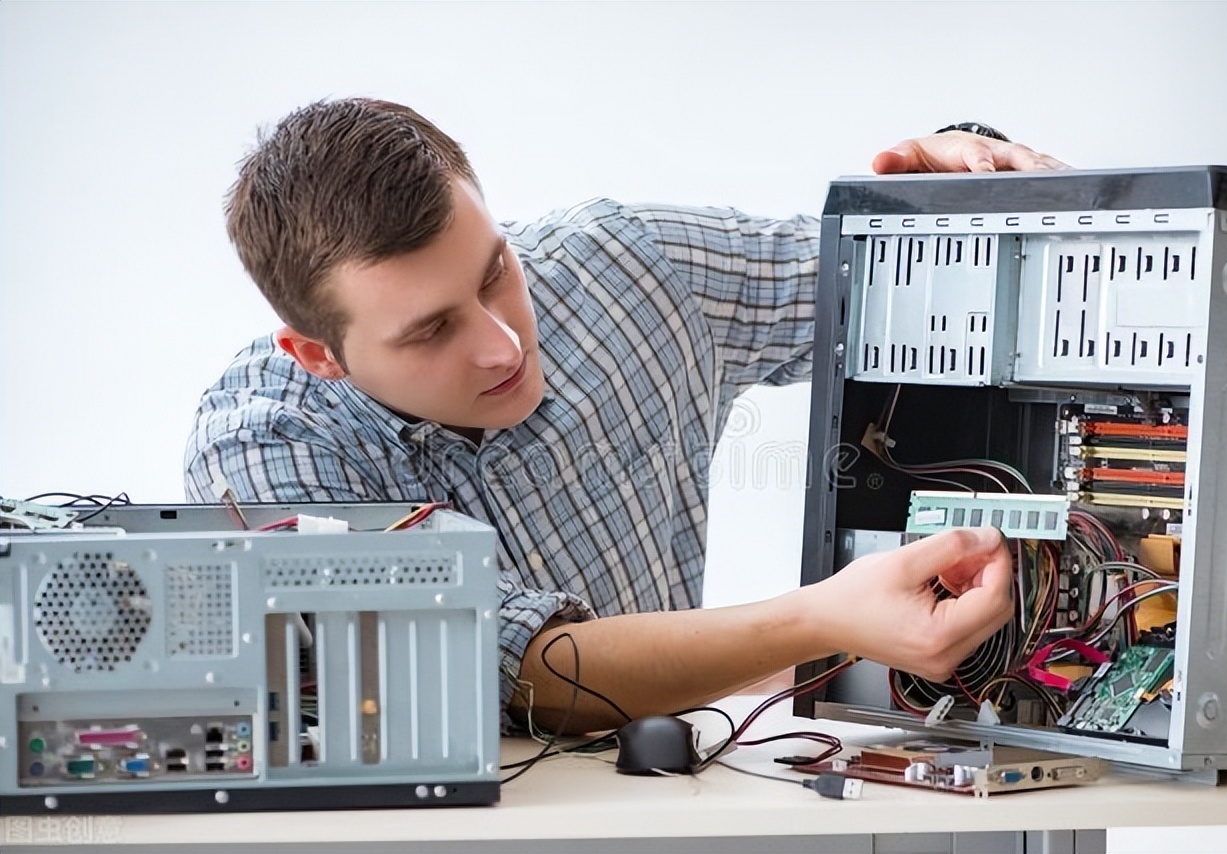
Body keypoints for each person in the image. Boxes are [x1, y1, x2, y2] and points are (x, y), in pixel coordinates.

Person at [185, 99, 1064, 734]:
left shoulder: (624, 267)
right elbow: (522, 671)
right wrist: (824, 618)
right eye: (430, 330)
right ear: (320, 354)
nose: (502, 346)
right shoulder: (265, 448)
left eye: (495, 271)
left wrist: (964, 169)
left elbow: (901, 282)